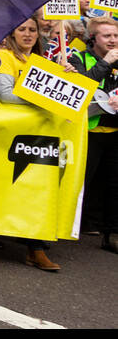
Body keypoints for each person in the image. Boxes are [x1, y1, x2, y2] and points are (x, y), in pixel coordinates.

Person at [0, 15, 60, 272]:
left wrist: (64, 78)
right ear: (12, 34)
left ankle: (36, 249)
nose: (28, 34)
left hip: (39, 136)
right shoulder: (4, 58)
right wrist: (40, 99)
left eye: (33, 29)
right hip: (9, 135)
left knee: (37, 190)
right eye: (22, 29)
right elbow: (6, 94)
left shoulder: (42, 62)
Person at [69, 15, 118, 253]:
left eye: (116, 36)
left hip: (115, 131)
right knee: (81, 181)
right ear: (93, 38)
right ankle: (71, 225)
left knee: (114, 185)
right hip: (87, 131)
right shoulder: (79, 58)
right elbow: (79, 88)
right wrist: (105, 63)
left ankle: (112, 234)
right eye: (107, 36)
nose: (112, 40)